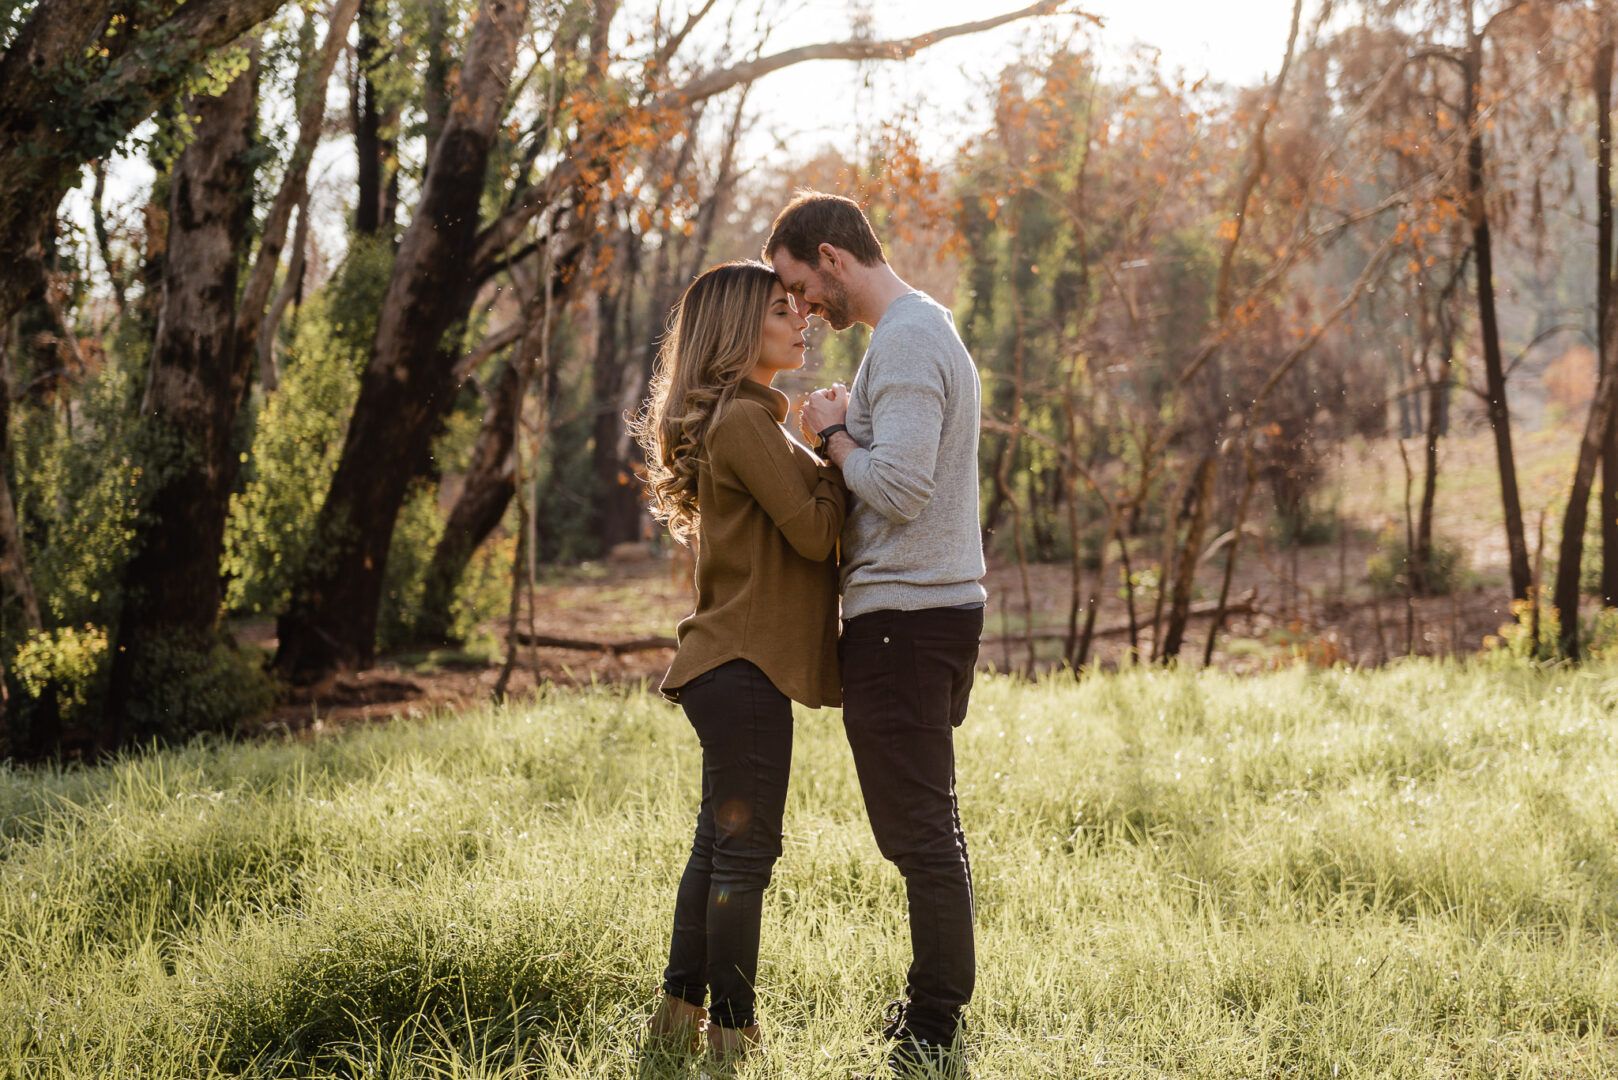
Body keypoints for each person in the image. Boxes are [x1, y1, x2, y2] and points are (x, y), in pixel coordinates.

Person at [767, 191, 988, 1078]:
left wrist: (829, 437)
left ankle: (933, 1023)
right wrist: (850, 424)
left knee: (918, 832)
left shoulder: (903, 339)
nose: (803, 307)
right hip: (931, 610)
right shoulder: (921, 330)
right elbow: (904, 462)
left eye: (798, 286)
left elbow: (898, 488)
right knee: (930, 823)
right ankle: (937, 1004)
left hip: (905, 620)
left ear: (831, 255)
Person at [632, 259, 846, 1062]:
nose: (804, 320)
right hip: (742, 667)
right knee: (747, 855)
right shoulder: (746, 423)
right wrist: (840, 445)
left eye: (801, 307)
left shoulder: (746, 417)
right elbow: (817, 533)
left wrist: (817, 443)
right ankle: (733, 1033)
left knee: (717, 848)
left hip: (727, 666)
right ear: (736, 331)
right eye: (784, 309)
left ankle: (676, 1019)